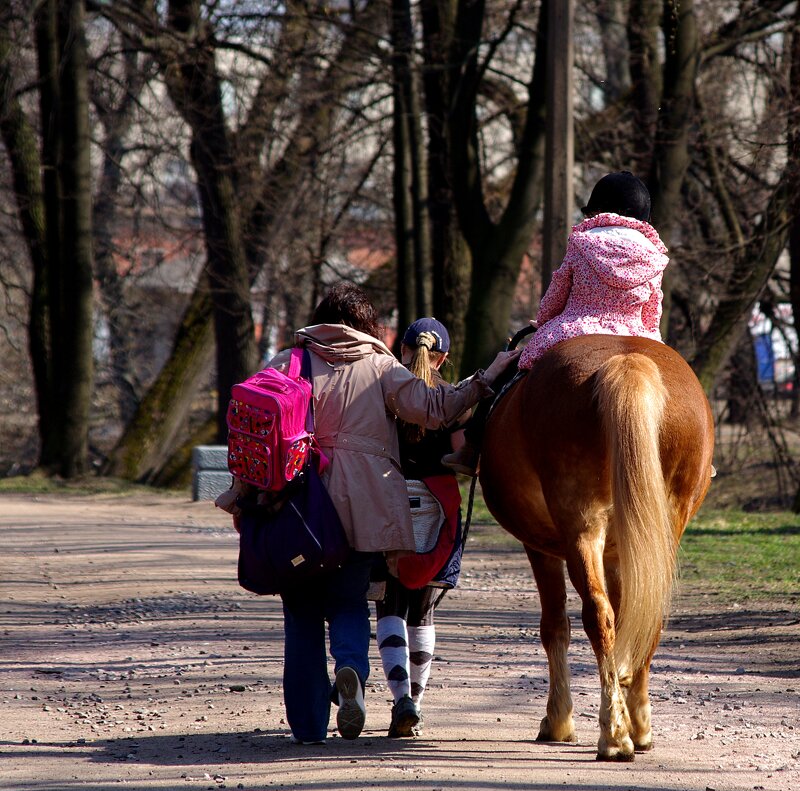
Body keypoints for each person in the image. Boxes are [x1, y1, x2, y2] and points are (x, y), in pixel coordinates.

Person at [219, 282, 519, 744]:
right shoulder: (382, 368)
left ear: (321, 318)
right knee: (347, 601)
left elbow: (255, 433)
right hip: (362, 510)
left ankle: (308, 725)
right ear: (368, 327)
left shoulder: (288, 362)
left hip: (295, 509)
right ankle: (351, 671)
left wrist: (241, 497)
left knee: (300, 614)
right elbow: (438, 408)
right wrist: (487, 377)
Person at [443, 170, 669, 476]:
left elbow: (557, 291)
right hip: (637, 333)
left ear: (601, 210)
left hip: (578, 325)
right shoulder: (654, 255)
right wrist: (650, 338)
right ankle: (696, 455)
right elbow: (652, 310)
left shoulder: (583, 242)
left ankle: (471, 449)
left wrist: (546, 320)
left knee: (511, 369)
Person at [374, 317, 467, 738]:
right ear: (442, 357)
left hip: (389, 502)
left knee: (389, 606)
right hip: (436, 506)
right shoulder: (452, 399)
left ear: (403, 350)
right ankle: (417, 697)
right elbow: (463, 458)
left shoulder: (384, 392)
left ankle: (400, 701)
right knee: (423, 610)